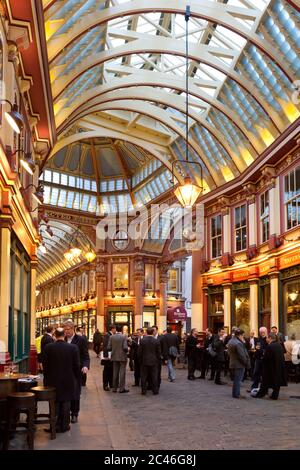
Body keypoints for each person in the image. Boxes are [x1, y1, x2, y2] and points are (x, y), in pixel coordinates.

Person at [43, 328, 80, 433]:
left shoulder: (48, 347)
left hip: (52, 380)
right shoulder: (73, 348)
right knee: (66, 402)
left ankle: (54, 426)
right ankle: (65, 425)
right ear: (64, 335)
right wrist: (76, 378)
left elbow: (45, 366)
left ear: (55, 335)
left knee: (54, 402)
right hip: (68, 379)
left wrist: (47, 379)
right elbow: (76, 365)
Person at [64, 321, 90, 423]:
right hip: (64, 371)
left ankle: (74, 413)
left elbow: (85, 355)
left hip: (76, 371)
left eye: (68, 329)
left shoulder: (81, 339)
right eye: (65, 329)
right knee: (65, 392)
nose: (66, 331)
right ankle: (65, 413)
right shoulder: (62, 339)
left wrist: (85, 366)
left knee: (75, 393)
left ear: (73, 329)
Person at [255, 332, 287, 400]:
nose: (266, 339)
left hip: (270, 367)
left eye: (267, 338)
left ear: (269, 338)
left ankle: (261, 394)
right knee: (276, 383)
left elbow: (266, 358)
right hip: (278, 366)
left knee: (265, 382)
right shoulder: (279, 345)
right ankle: (274, 395)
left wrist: (262, 359)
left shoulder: (270, 346)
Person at [227, 329, 250, 399]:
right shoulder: (238, 343)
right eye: (242, 335)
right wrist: (246, 363)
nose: (243, 337)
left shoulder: (231, 341)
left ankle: (236, 393)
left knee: (236, 380)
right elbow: (242, 356)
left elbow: (228, 352)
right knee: (238, 380)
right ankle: (236, 394)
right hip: (239, 364)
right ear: (239, 335)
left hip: (233, 362)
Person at [138, 327, 161, 395]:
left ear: (147, 332)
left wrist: (140, 360)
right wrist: (157, 360)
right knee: (154, 376)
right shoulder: (156, 341)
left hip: (144, 361)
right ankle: (155, 391)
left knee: (144, 376)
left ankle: (143, 390)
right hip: (154, 361)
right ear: (152, 332)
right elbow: (158, 352)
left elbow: (139, 352)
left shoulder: (142, 341)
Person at [108, 325, 129, 393]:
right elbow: (125, 347)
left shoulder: (111, 337)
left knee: (115, 372)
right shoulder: (124, 337)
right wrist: (128, 350)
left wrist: (114, 348)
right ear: (122, 330)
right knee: (122, 373)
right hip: (122, 357)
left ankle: (114, 388)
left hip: (114, 356)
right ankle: (121, 388)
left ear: (116, 329)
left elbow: (108, 347)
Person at [250, 326, 268, 391]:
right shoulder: (258, 339)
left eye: (263, 332)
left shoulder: (268, 339)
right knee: (256, 373)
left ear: (266, 332)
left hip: (264, 359)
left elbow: (267, 349)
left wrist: (262, 350)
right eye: (261, 332)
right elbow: (257, 347)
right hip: (258, 359)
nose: (262, 333)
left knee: (264, 375)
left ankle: (263, 389)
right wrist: (256, 349)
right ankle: (254, 388)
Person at [102, 325, 116, 391]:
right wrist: (106, 356)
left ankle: (111, 384)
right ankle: (105, 385)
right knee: (107, 371)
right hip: (108, 356)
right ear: (113, 329)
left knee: (111, 370)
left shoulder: (111, 335)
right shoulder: (107, 335)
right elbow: (105, 346)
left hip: (111, 356)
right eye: (115, 329)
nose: (115, 330)